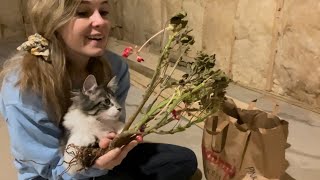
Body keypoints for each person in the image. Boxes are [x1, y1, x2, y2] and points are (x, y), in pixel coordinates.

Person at [0, 0, 198, 179]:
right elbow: (50, 167)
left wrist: (117, 144)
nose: (100, 21)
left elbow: (112, 127)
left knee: (182, 159)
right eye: (83, 12)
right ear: (54, 22)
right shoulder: (22, 88)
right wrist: (94, 167)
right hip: (57, 174)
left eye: (103, 11)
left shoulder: (115, 68)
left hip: (99, 154)